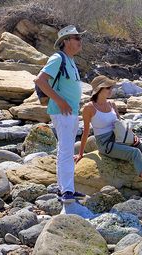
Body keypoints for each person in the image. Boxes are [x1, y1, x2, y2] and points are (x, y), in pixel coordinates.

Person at [74, 75, 142, 195]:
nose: (111, 90)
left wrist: (132, 137)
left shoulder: (112, 104)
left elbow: (121, 124)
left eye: (111, 87)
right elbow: (86, 131)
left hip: (119, 137)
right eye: (108, 88)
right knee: (135, 152)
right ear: (99, 90)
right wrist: (81, 153)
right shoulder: (89, 108)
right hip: (105, 143)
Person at [34, 25, 86, 203]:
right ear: (66, 41)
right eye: (76, 38)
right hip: (62, 112)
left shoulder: (70, 60)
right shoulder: (58, 58)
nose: (80, 41)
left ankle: (66, 189)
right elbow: (40, 80)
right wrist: (59, 100)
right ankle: (66, 192)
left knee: (66, 150)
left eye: (80, 38)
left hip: (70, 113)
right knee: (65, 151)